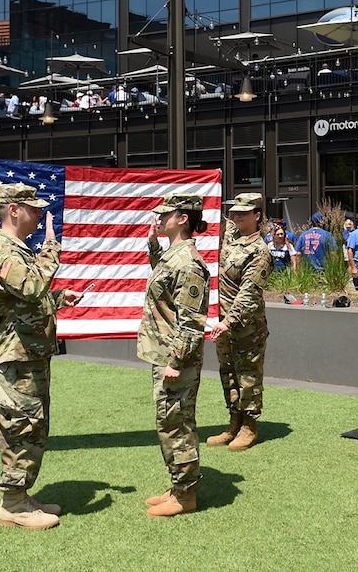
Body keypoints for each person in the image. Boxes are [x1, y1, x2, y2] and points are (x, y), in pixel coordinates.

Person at [0, 182, 84, 530]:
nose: (40, 214)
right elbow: (34, 286)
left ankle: (21, 496)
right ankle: (13, 504)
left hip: (29, 354)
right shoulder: (5, 253)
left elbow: (24, 302)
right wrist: (52, 245)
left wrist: (57, 300)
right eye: (33, 208)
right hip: (18, 359)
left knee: (32, 425)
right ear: (13, 210)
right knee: (21, 427)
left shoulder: (19, 251)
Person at [140, 194, 210, 518]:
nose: (160, 218)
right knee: (168, 421)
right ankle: (177, 485)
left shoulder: (189, 263)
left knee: (178, 423)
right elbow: (164, 287)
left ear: (183, 218)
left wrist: (175, 362)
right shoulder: (173, 255)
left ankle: (185, 496)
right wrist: (154, 246)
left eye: (166, 214)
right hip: (164, 353)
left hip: (175, 358)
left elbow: (192, 323)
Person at [206, 192, 273, 452]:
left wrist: (228, 320)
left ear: (257, 215)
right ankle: (234, 421)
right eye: (235, 211)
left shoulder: (260, 252)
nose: (237, 215)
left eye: (244, 212)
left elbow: (250, 292)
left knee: (248, 375)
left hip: (245, 327)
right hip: (222, 324)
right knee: (229, 374)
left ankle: (249, 426)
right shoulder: (230, 239)